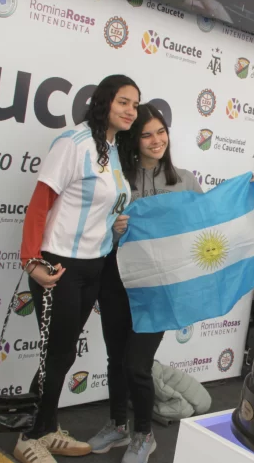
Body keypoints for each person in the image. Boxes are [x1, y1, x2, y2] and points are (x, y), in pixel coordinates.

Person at [15, 75, 140, 463]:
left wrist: (116, 221)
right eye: (123, 102)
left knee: (64, 351)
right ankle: (30, 437)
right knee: (57, 352)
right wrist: (31, 261)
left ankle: (48, 428)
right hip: (59, 263)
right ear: (104, 102)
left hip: (95, 264)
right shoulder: (74, 142)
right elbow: (40, 203)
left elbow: (103, 202)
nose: (131, 111)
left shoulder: (115, 149)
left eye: (135, 105)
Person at [87, 104, 202, 463]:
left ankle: (144, 435)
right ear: (133, 140)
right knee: (115, 359)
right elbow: (93, 226)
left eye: (161, 132)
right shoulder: (116, 178)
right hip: (117, 280)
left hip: (161, 288)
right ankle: (118, 426)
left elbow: (202, 232)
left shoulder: (184, 180)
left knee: (137, 364)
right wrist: (113, 227)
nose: (156, 141)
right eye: (147, 134)